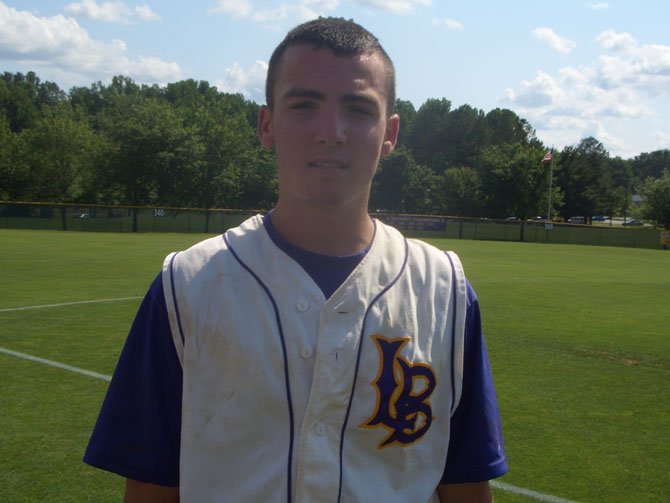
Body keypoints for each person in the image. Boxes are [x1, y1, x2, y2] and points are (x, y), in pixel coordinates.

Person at [84, 17, 507, 502]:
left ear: (389, 133)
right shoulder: (187, 284)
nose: (331, 132)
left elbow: (466, 483)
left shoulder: (444, 290)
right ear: (267, 124)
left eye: (358, 108)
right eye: (304, 105)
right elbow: (151, 485)